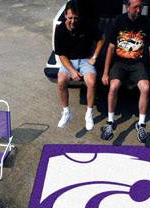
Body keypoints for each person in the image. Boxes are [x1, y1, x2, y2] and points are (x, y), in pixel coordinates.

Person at [101, 0, 150, 143]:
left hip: (138, 64)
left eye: (141, 7)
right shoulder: (118, 22)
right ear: (128, 7)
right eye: (136, 7)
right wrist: (105, 72)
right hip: (120, 63)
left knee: (145, 88)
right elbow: (111, 48)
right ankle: (110, 122)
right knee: (113, 87)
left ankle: (141, 124)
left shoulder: (147, 23)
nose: (139, 10)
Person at [54, 0, 105, 130]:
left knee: (92, 82)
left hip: (85, 60)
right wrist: (72, 71)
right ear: (65, 15)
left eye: (76, 18)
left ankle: (89, 114)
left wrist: (94, 57)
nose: (73, 21)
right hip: (68, 61)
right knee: (61, 81)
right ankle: (66, 112)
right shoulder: (59, 29)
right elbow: (61, 55)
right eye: (70, 18)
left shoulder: (86, 25)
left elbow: (101, 39)